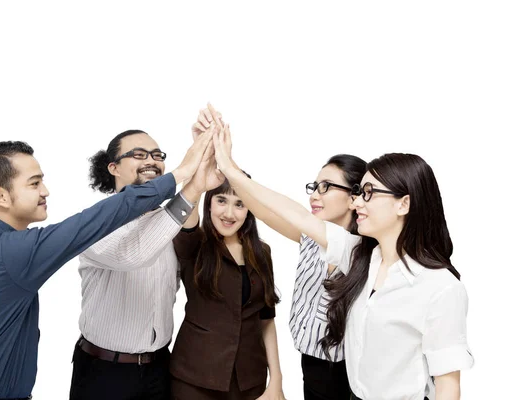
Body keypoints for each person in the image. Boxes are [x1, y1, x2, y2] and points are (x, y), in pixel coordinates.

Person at [211, 126, 474, 399]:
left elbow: (448, 386)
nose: (358, 201)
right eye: (360, 192)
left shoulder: (440, 287)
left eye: (368, 193)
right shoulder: (360, 256)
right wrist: (229, 169)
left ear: (403, 204)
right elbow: (296, 215)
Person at [0, 133, 212, 400]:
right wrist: (183, 175)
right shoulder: (13, 251)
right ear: (0, 195)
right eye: (34, 183)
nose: (45, 191)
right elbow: (96, 223)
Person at [69, 127, 222, 400]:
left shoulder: (169, 221)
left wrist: (204, 164)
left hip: (160, 369)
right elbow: (134, 254)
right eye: (138, 155)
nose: (151, 160)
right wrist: (191, 183)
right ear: (114, 167)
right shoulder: (94, 223)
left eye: (156, 154)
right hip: (104, 373)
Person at [169, 109, 285, 400]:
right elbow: (185, 214)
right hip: (195, 379)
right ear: (209, 204)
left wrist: (277, 381)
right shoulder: (194, 243)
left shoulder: (262, 252)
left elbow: (266, 319)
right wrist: (202, 158)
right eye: (221, 200)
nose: (229, 213)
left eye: (239, 204)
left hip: (249, 381)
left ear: (250, 210)